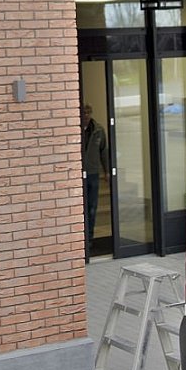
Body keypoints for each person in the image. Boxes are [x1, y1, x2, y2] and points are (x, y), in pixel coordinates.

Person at [80, 104, 108, 259]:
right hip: (79, 175)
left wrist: (107, 171)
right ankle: (81, 238)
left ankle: (89, 238)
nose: (86, 115)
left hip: (93, 173)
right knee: (81, 208)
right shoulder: (74, 128)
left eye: (88, 112)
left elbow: (104, 151)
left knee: (92, 207)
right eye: (83, 112)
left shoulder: (98, 130)